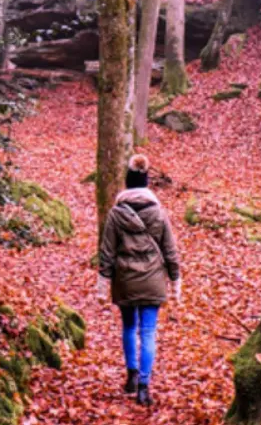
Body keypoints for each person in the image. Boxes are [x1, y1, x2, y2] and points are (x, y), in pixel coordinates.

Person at [98, 154, 181, 406]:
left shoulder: (115, 214)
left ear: (127, 182)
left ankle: (131, 375)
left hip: (125, 280)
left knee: (128, 327)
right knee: (148, 332)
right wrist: (176, 282)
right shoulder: (159, 213)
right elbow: (170, 251)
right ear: (146, 184)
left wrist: (102, 283)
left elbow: (107, 252)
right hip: (152, 280)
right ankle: (144, 387)